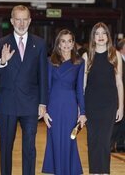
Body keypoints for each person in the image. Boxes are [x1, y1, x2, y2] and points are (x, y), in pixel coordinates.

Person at [0, 5, 48, 175]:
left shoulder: (40, 43)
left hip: (30, 104)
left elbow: (43, 76)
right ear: (12, 21)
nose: (21, 23)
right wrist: (2, 60)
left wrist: (43, 102)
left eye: (25, 19)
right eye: (18, 19)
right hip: (8, 103)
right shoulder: (1, 43)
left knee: (29, 147)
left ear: (30, 21)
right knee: (6, 148)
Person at [42, 29, 87, 175]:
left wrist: (83, 113)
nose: (66, 44)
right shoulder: (49, 62)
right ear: (58, 44)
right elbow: (47, 88)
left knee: (69, 140)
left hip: (70, 106)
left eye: (69, 41)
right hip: (54, 107)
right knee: (55, 141)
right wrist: (45, 111)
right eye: (63, 41)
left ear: (73, 43)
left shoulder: (80, 62)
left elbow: (80, 89)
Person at [82, 22, 124, 175]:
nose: (100, 36)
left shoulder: (115, 55)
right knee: (93, 142)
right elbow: (83, 86)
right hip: (91, 105)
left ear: (108, 36)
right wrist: (82, 109)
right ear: (93, 37)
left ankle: (105, 172)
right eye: (97, 33)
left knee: (105, 142)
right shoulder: (87, 56)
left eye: (103, 33)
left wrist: (121, 107)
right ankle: (94, 172)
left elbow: (119, 83)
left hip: (109, 106)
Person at [111, 38, 125, 152]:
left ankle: (121, 144)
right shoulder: (115, 58)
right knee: (116, 121)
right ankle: (111, 143)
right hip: (116, 94)